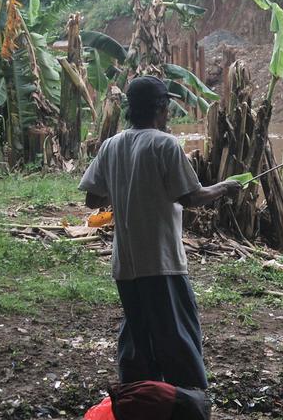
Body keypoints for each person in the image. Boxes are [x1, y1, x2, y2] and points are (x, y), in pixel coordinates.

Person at [79, 75, 241, 390]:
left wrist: (126, 186)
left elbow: (92, 198)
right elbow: (190, 197)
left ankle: (138, 394)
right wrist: (226, 186)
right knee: (177, 331)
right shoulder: (164, 143)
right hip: (162, 260)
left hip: (125, 264)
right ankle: (188, 399)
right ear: (161, 108)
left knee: (138, 332)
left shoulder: (112, 145)